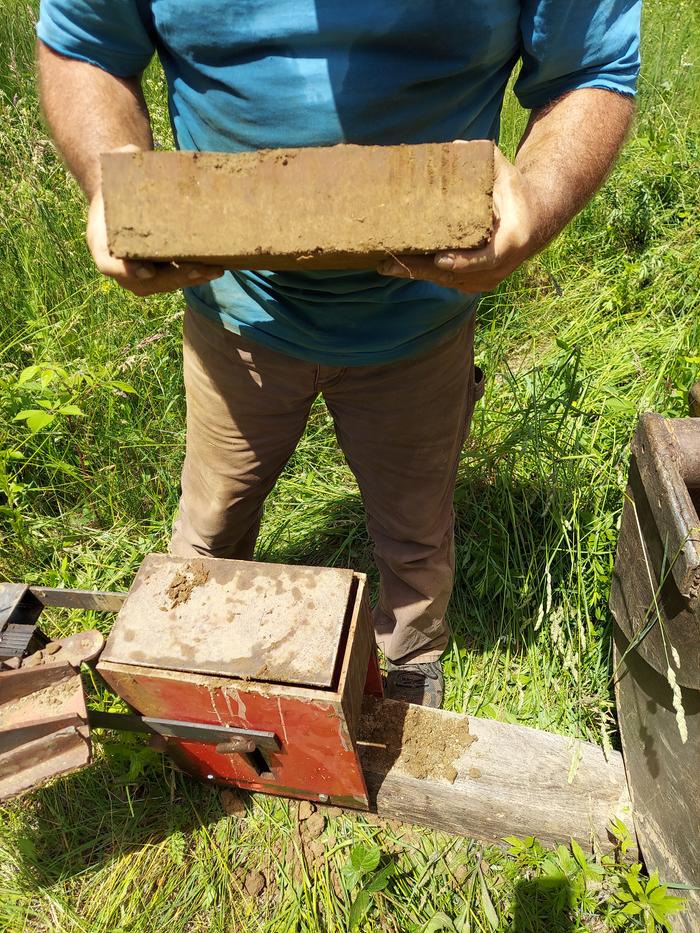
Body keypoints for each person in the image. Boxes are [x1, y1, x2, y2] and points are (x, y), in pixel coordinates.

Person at [36, 1, 641, 707]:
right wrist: (116, 182)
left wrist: (535, 201)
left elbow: (593, 65)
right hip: (236, 320)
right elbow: (85, 48)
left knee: (415, 534)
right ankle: (193, 668)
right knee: (210, 525)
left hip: (419, 328)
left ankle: (410, 661)